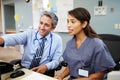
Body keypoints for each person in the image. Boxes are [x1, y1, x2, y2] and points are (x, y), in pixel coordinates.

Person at [55, 7, 116, 80]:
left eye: (72, 22)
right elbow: (71, 65)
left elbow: (100, 75)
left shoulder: (97, 44)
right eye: (68, 21)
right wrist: (61, 76)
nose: (68, 25)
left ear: (84, 24)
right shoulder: (70, 44)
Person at [0, 11, 62, 77]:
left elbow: (56, 60)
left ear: (53, 28)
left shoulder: (57, 40)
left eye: (46, 25)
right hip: (26, 70)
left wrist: (46, 67)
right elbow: (15, 38)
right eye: (41, 23)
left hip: (45, 71)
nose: (42, 27)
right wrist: (2, 40)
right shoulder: (29, 34)